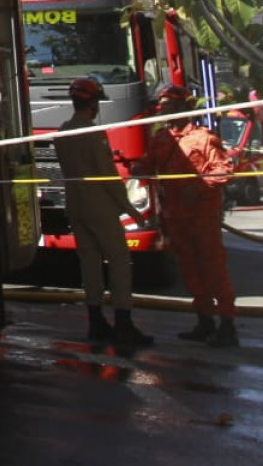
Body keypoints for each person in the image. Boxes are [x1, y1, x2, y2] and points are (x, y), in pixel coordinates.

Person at [52, 76, 152, 347]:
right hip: (99, 207)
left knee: (90, 264)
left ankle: (95, 321)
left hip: (76, 207)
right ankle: (123, 323)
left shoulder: (62, 133)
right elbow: (106, 175)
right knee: (119, 262)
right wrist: (130, 208)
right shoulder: (93, 133)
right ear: (93, 103)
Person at [142, 84, 240, 346]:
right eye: (162, 107)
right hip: (175, 216)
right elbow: (148, 165)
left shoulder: (203, 138)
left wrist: (197, 187)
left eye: (169, 107)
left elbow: (223, 170)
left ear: (182, 108)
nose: (164, 111)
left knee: (213, 267)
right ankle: (204, 320)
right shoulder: (161, 139)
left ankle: (227, 325)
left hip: (202, 215)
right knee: (189, 268)